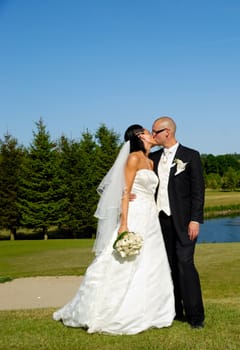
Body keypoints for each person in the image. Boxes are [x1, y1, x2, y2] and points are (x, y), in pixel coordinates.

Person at [53, 125, 175, 335]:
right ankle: (107, 311)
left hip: (150, 216)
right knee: (123, 263)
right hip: (135, 214)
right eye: (148, 132)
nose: (152, 135)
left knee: (151, 263)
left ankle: (152, 312)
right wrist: (124, 224)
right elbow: (125, 191)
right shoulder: (134, 158)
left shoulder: (150, 161)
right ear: (139, 136)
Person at [150, 116, 205, 329]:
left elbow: (198, 192)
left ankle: (196, 316)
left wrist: (195, 220)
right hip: (160, 221)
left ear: (168, 132)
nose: (153, 135)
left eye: (156, 131)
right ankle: (174, 311)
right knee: (169, 267)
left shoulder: (190, 156)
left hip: (184, 221)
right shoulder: (153, 158)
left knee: (185, 264)